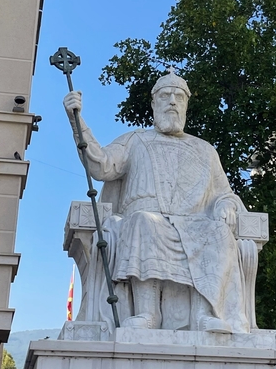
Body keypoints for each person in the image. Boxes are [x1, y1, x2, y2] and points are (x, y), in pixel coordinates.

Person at [63, 68, 249, 334]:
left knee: (217, 231)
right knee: (143, 222)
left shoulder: (205, 150)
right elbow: (102, 165)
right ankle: (147, 313)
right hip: (146, 221)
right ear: (153, 103)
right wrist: (77, 121)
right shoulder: (135, 140)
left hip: (194, 224)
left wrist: (226, 206)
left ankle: (204, 314)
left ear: (186, 105)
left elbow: (224, 193)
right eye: (165, 95)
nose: (172, 101)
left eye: (178, 97)